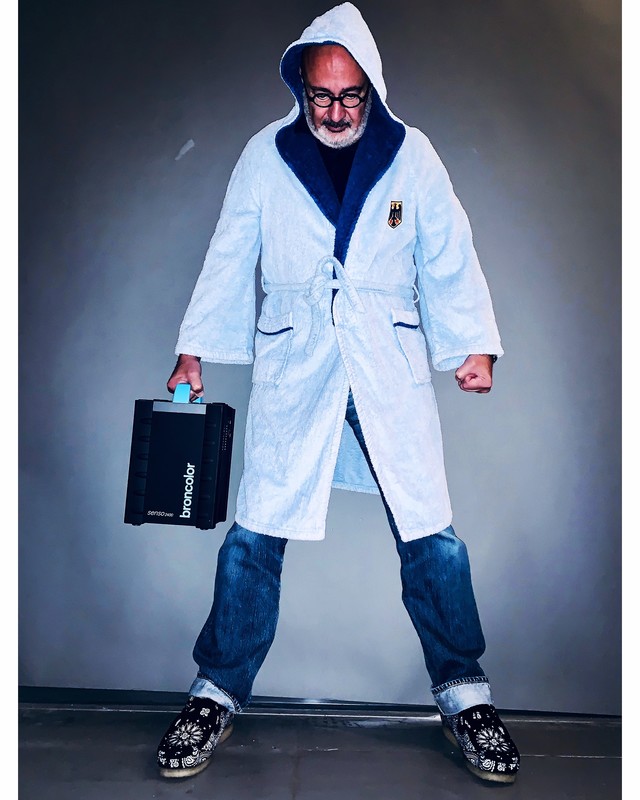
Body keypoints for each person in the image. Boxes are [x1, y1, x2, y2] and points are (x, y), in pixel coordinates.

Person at [156, 1, 520, 785]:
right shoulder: (266, 154)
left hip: (386, 359)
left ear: (372, 88)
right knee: (256, 532)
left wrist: (473, 345)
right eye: (320, 95)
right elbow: (231, 253)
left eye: (349, 95)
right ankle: (214, 691)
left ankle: (466, 694)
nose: (333, 111)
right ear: (301, 86)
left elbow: (448, 250)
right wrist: (193, 351)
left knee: (430, 532)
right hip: (300, 361)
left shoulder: (412, 155)